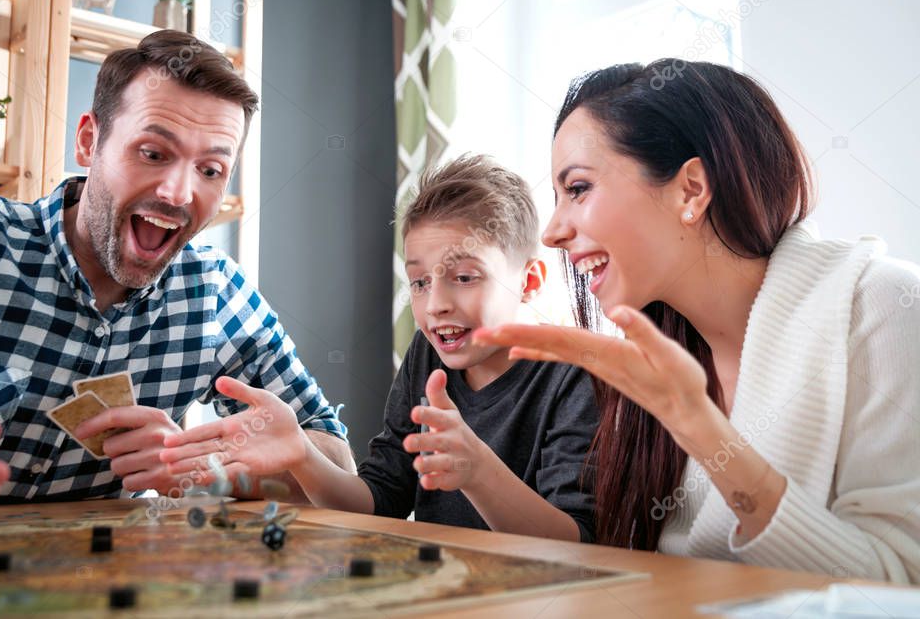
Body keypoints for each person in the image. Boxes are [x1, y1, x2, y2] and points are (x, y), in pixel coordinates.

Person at [473, 60, 920, 582]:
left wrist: (700, 428)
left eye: (577, 189)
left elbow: (899, 589)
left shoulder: (885, 309)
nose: (551, 232)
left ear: (690, 190)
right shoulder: (654, 363)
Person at [0, 30, 353, 508]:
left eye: (211, 170)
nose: (178, 193)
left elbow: (339, 469)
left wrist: (204, 462)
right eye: (153, 154)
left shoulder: (216, 295)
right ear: (90, 142)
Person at [161, 154, 599, 541]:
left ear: (530, 281)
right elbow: (379, 499)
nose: (437, 305)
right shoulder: (427, 358)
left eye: (464, 277)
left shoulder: (574, 374)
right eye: (420, 282)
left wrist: (478, 472)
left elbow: (575, 543)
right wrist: (302, 454)